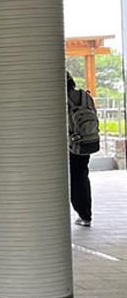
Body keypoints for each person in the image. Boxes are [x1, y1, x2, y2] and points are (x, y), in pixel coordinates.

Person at [67, 72, 98, 227]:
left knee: (74, 180)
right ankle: (86, 214)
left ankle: (82, 214)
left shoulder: (61, 99)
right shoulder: (86, 96)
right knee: (82, 176)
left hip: (72, 145)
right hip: (88, 141)